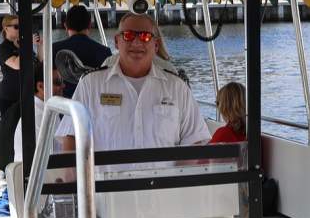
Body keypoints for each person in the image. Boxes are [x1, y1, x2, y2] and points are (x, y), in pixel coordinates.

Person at [56, 13, 210, 152]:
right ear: (116, 42)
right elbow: (71, 137)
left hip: (164, 183)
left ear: (156, 45)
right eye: (128, 35)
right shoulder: (90, 84)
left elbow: (196, 141)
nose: (136, 42)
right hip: (106, 183)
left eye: (145, 36)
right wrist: (74, 179)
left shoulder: (177, 87)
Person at [0, 62, 64, 189]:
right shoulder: (33, 115)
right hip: (35, 186)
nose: (63, 86)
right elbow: (3, 141)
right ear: (40, 86)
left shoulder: (43, 109)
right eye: (58, 82)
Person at [53, 5, 112, 98]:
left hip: (64, 105)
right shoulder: (104, 51)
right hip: (93, 104)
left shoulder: (54, 49)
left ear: (65, 26)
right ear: (89, 25)